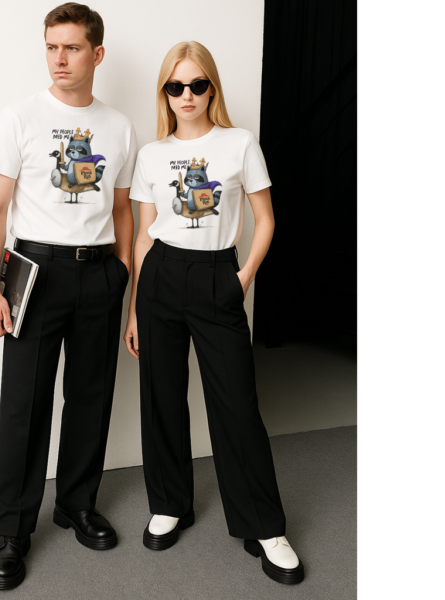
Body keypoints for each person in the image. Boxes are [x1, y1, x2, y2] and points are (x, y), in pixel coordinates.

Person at [124, 41, 305, 585]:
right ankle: (169, 503)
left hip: (216, 275)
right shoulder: (152, 154)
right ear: (164, 92)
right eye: (175, 86)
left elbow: (265, 219)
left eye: (197, 84)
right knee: (161, 397)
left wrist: (242, 278)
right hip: (159, 276)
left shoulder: (239, 144)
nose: (187, 95)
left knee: (237, 406)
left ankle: (264, 526)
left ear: (212, 89)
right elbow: (142, 237)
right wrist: (135, 309)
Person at [0, 3, 137, 591]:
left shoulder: (119, 127)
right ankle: (12, 531)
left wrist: (123, 275)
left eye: (72, 48)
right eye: (52, 47)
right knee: (24, 405)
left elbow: (122, 210)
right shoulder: (19, 117)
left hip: (98, 273)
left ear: (97, 53)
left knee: (91, 397)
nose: (59, 59)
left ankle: (76, 504)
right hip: (35, 271)